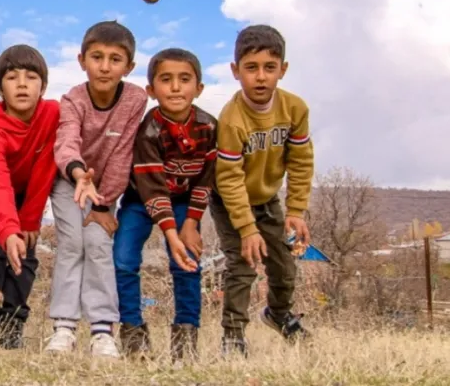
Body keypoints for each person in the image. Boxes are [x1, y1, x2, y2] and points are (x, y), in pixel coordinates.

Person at [212, 24, 315, 356]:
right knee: (242, 266)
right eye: (251, 68)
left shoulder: (294, 109)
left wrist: (296, 210)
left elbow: (301, 160)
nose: (260, 77)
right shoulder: (231, 119)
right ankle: (233, 335)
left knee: (284, 266)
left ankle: (279, 315)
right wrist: (246, 229)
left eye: (269, 68)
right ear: (235, 71)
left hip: (268, 199)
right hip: (231, 203)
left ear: (282, 70)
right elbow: (228, 178)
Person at [47, 21, 147, 357]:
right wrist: (78, 174)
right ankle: (64, 327)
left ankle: (103, 330)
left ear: (129, 66)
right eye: (97, 57)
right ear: (82, 60)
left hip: (106, 190)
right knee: (73, 245)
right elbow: (65, 142)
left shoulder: (135, 99)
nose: (105, 66)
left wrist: (104, 204)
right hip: (68, 181)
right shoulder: (73, 99)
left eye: (115, 59)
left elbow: (122, 154)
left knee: (99, 245)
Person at [113, 48, 217, 362]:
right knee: (123, 260)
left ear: (198, 88)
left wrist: (189, 225)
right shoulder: (148, 131)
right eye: (166, 80)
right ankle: (134, 335)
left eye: (184, 80)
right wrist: (170, 235)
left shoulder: (209, 128)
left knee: (187, 263)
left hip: (186, 202)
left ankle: (185, 338)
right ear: (151, 90)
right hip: (141, 199)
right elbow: (153, 187)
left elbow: (206, 179)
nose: (175, 87)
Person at [0, 44, 59, 349]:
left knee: (27, 252)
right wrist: (8, 230)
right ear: (0, 89)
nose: (21, 83)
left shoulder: (52, 115)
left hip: (28, 194)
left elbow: (46, 169)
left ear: (43, 86)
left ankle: (12, 325)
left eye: (31, 77)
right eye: (12, 77)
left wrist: (30, 220)